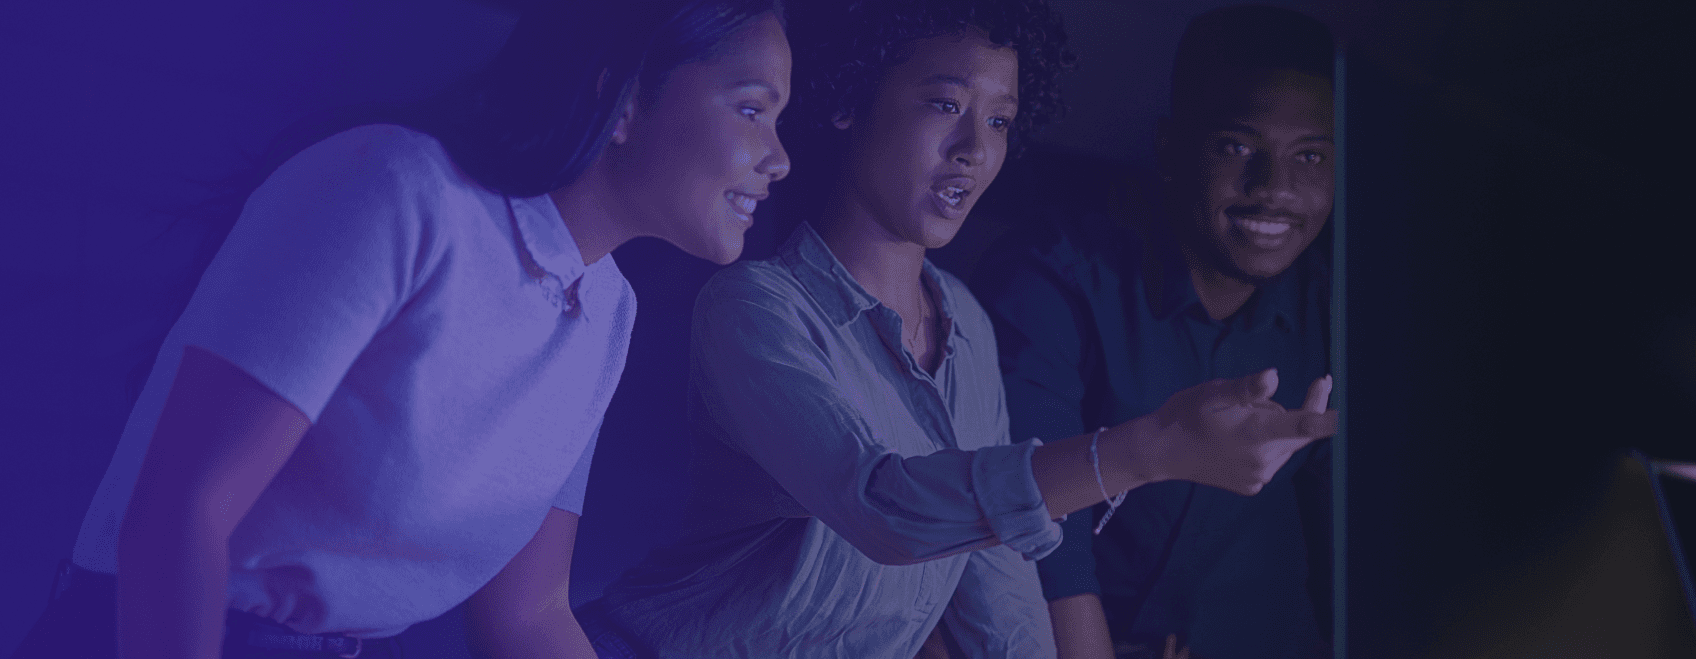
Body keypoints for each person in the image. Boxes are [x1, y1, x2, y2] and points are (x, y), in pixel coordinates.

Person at [8, 1, 790, 658]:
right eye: (751, 108)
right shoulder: (397, 191)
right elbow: (179, 511)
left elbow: (528, 614)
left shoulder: (606, 310)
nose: (779, 158)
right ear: (622, 98)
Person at [574, 1, 1335, 657]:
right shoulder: (754, 306)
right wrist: (1145, 449)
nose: (975, 147)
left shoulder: (965, 321)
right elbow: (882, 505)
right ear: (852, 98)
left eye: (999, 119)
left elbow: (996, 592)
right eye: (945, 104)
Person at [971, 6, 1338, 659]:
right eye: (1236, 147)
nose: (1273, 188)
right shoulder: (1055, 277)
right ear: (1170, 149)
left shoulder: (1339, 312)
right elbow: (1038, 525)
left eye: (1309, 155)